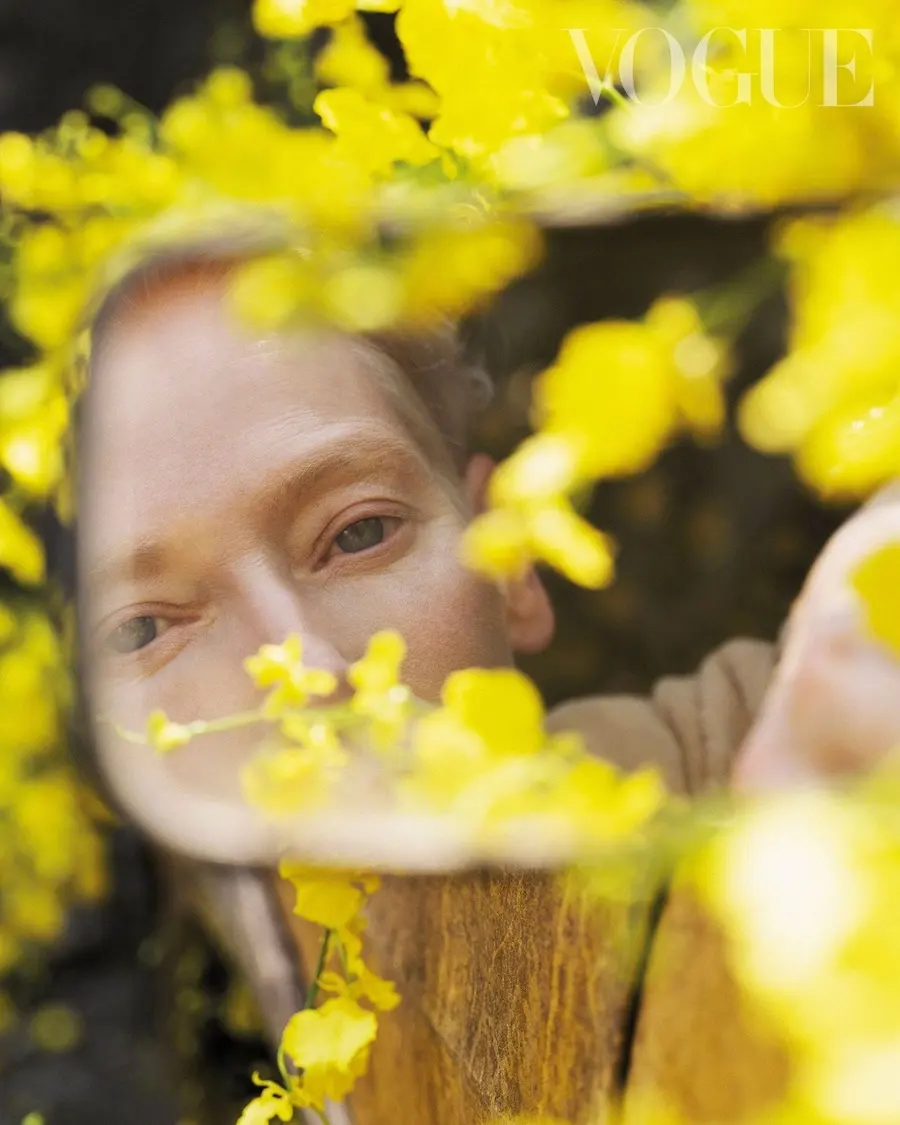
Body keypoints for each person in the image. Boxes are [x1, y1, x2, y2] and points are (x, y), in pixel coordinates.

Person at [72, 229, 900, 1123]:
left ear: (509, 557)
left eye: (358, 533)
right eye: (144, 627)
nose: (307, 673)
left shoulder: (798, 737)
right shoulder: (115, 1028)